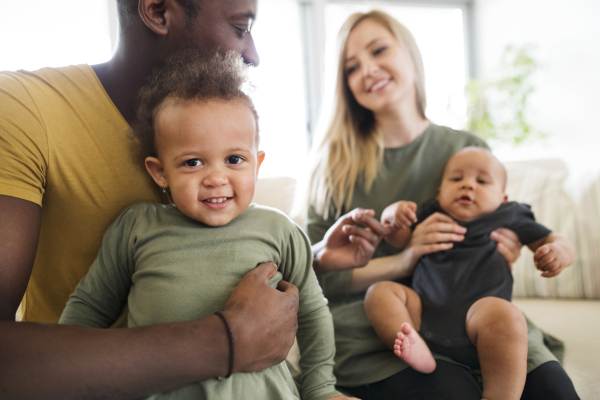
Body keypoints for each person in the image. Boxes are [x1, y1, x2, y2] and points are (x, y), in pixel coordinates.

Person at [0, 1, 300, 398]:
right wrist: (225, 340)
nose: (253, 55)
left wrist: (309, 257)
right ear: (158, 11)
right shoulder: (23, 109)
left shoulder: (224, 128)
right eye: (240, 28)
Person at [306, 10, 579, 400]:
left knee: (552, 391)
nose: (368, 69)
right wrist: (406, 258)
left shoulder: (465, 151)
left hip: (469, 308)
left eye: (378, 50)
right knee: (452, 391)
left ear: (409, 54)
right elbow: (316, 275)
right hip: (379, 323)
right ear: (345, 85)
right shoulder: (333, 168)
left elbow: (505, 227)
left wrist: (509, 246)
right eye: (351, 67)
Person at [58, 51, 349, 400]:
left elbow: (314, 312)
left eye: (234, 159)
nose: (216, 178)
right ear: (160, 171)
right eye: (193, 162)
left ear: (257, 165)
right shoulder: (137, 227)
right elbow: (90, 307)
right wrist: (66, 382)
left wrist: (322, 390)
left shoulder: (279, 230)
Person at [364, 147, 575, 400]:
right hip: (422, 317)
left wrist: (559, 251)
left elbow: (551, 238)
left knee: (506, 314)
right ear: (440, 191)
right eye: (456, 179)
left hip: (482, 324)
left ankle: (500, 395)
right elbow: (397, 239)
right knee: (379, 292)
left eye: (482, 181)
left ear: (503, 197)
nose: (468, 185)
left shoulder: (509, 215)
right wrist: (393, 215)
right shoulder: (431, 212)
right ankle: (414, 347)